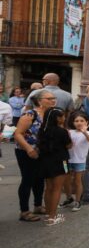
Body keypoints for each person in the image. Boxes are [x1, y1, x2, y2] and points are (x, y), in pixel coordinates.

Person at [14, 89, 56, 221]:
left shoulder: (51, 115)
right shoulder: (30, 114)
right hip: (26, 151)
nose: (52, 100)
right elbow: (18, 134)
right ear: (39, 101)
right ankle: (24, 211)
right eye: (49, 98)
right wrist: (28, 149)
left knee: (39, 179)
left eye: (53, 98)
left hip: (42, 152)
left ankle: (38, 205)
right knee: (28, 179)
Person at [37, 108, 71, 225]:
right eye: (62, 116)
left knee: (49, 188)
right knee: (57, 188)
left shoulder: (43, 130)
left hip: (45, 161)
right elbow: (69, 145)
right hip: (61, 161)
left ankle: (48, 214)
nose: (64, 118)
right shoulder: (62, 131)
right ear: (57, 118)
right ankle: (53, 216)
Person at [62, 112, 89, 212]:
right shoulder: (70, 132)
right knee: (66, 180)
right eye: (76, 121)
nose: (79, 123)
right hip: (67, 160)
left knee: (77, 181)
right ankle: (69, 198)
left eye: (82, 121)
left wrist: (84, 131)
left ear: (86, 122)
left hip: (79, 161)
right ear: (73, 122)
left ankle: (78, 200)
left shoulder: (88, 133)